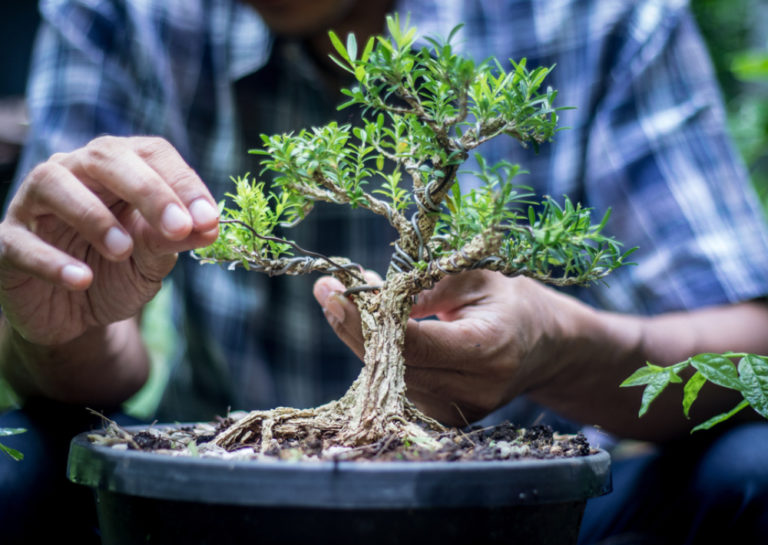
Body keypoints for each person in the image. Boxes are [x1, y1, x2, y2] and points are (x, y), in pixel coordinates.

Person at [1, 0, 768, 543]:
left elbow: (750, 347)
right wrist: (60, 327)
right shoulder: (123, 10)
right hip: (218, 483)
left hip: (537, 498)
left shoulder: (600, 14)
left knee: (754, 467)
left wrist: (563, 342)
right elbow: (85, 357)